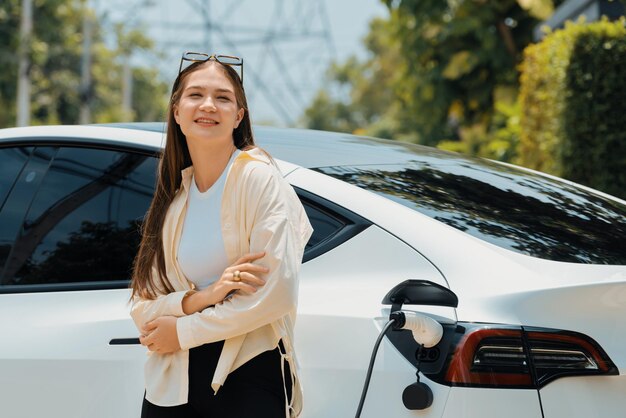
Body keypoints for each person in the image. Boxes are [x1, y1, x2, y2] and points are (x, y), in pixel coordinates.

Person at [129, 52, 313, 418]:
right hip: (172, 382)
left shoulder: (259, 179)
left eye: (223, 97)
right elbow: (142, 306)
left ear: (239, 115)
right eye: (195, 95)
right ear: (177, 112)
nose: (208, 105)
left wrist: (181, 332)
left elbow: (274, 295)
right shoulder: (174, 198)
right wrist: (205, 296)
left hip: (245, 374)